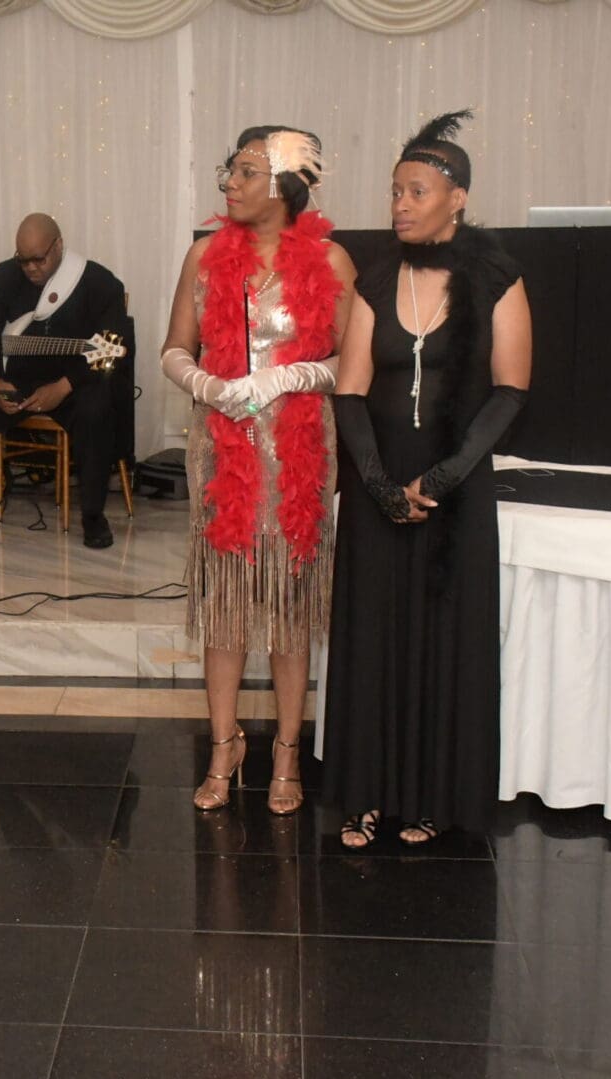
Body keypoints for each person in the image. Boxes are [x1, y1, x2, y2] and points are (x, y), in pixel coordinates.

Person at [319, 110, 533, 847]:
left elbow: (509, 389)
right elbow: (348, 391)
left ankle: (434, 797)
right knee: (372, 640)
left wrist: (441, 478)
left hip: (456, 487)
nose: (399, 204)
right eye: (394, 191)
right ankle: (366, 795)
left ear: (458, 197)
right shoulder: (375, 282)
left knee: (445, 641)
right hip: (380, 489)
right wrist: (377, 484)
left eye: (415, 190)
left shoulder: (496, 278)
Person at [160, 126, 355, 815]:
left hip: (298, 455)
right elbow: (173, 350)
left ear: (283, 185)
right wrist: (208, 386)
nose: (229, 185)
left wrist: (295, 375)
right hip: (223, 450)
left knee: (290, 611)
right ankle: (224, 746)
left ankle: (287, 755)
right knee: (225, 608)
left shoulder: (331, 262)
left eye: (244, 172)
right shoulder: (206, 256)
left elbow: (350, 363)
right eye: (229, 171)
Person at [0, 213, 128, 549]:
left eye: (38, 259)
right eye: (23, 260)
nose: (30, 268)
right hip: (18, 380)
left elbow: (112, 347)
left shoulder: (99, 283)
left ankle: (92, 516)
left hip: (73, 385)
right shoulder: (6, 275)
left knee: (97, 411)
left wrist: (63, 387)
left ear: (58, 246)